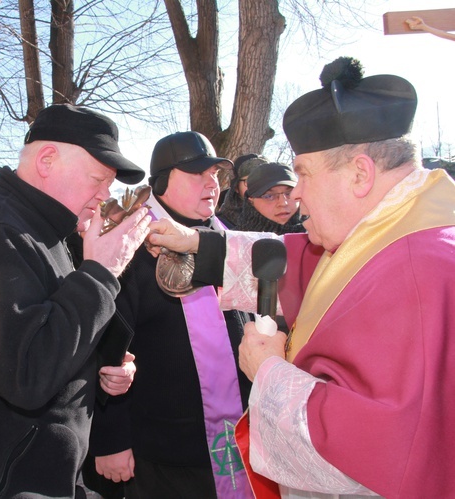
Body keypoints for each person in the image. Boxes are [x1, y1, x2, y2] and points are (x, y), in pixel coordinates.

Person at [146, 57, 455, 498]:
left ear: (360, 174)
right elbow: (295, 261)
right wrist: (197, 244)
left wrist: (268, 372)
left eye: (304, 173)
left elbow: (371, 457)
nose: (297, 193)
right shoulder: (389, 234)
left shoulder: (417, 273)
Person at [0, 103, 150, 498]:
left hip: (31, 479)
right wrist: (101, 274)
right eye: (98, 178)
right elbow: (25, 372)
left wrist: (102, 367)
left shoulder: (43, 229)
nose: (106, 194)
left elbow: (47, 334)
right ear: (47, 160)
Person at [89, 131, 252, 498]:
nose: (212, 182)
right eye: (197, 173)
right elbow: (106, 351)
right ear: (161, 181)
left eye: (215, 173)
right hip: (162, 453)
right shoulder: (129, 245)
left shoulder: (229, 239)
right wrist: (110, 437)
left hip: (238, 441)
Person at [237, 162, 305, 235]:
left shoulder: (316, 238)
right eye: (268, 196)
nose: (283, 203)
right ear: (251, 201)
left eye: (289, 193)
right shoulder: (232, 241)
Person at [216, 154, 268, 228]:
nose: (259, 187)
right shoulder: (217, 225)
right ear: (236, 187)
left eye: (264, 181)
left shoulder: (283, 224)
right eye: (249, 181)